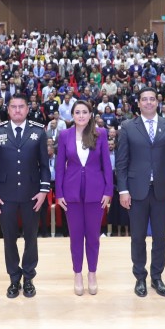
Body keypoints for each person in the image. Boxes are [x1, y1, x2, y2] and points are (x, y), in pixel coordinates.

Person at [116, 87, 165, 298]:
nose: (148, 102)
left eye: (152, 99)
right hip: (136, 191)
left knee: (160, 238)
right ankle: (140, 277)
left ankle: (157, 277)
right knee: (137, 237)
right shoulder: (127, 127)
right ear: (138, 103)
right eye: (144, 99)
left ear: (158, 102)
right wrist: (123, 190)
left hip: (162, 190)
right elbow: (121, 162)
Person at [0, 95, 50, 299]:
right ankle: (14, 278)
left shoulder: (38, 131)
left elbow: (44, 165)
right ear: (8, 110)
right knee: (9, 238)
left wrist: (43, 191)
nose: (17, 110)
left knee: (31, 237)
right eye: (13, 107)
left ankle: (29, 278)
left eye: (21, 106)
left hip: (32, 194)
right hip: (5, 195)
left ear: (28, 109)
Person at [55, 100, 113, 296]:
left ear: (90, 115)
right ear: (72, 115)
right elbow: (59, 167)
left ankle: (92, 274)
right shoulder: (65, 135)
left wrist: (108, 191)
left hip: (95, 193)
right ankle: (78, 274)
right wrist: (59, 193)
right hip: (71, 193)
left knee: (93, 237)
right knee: (76, 237)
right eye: (77, 112)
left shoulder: (100, 133)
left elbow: (106, 165)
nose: (81, 115)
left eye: (84, 112)